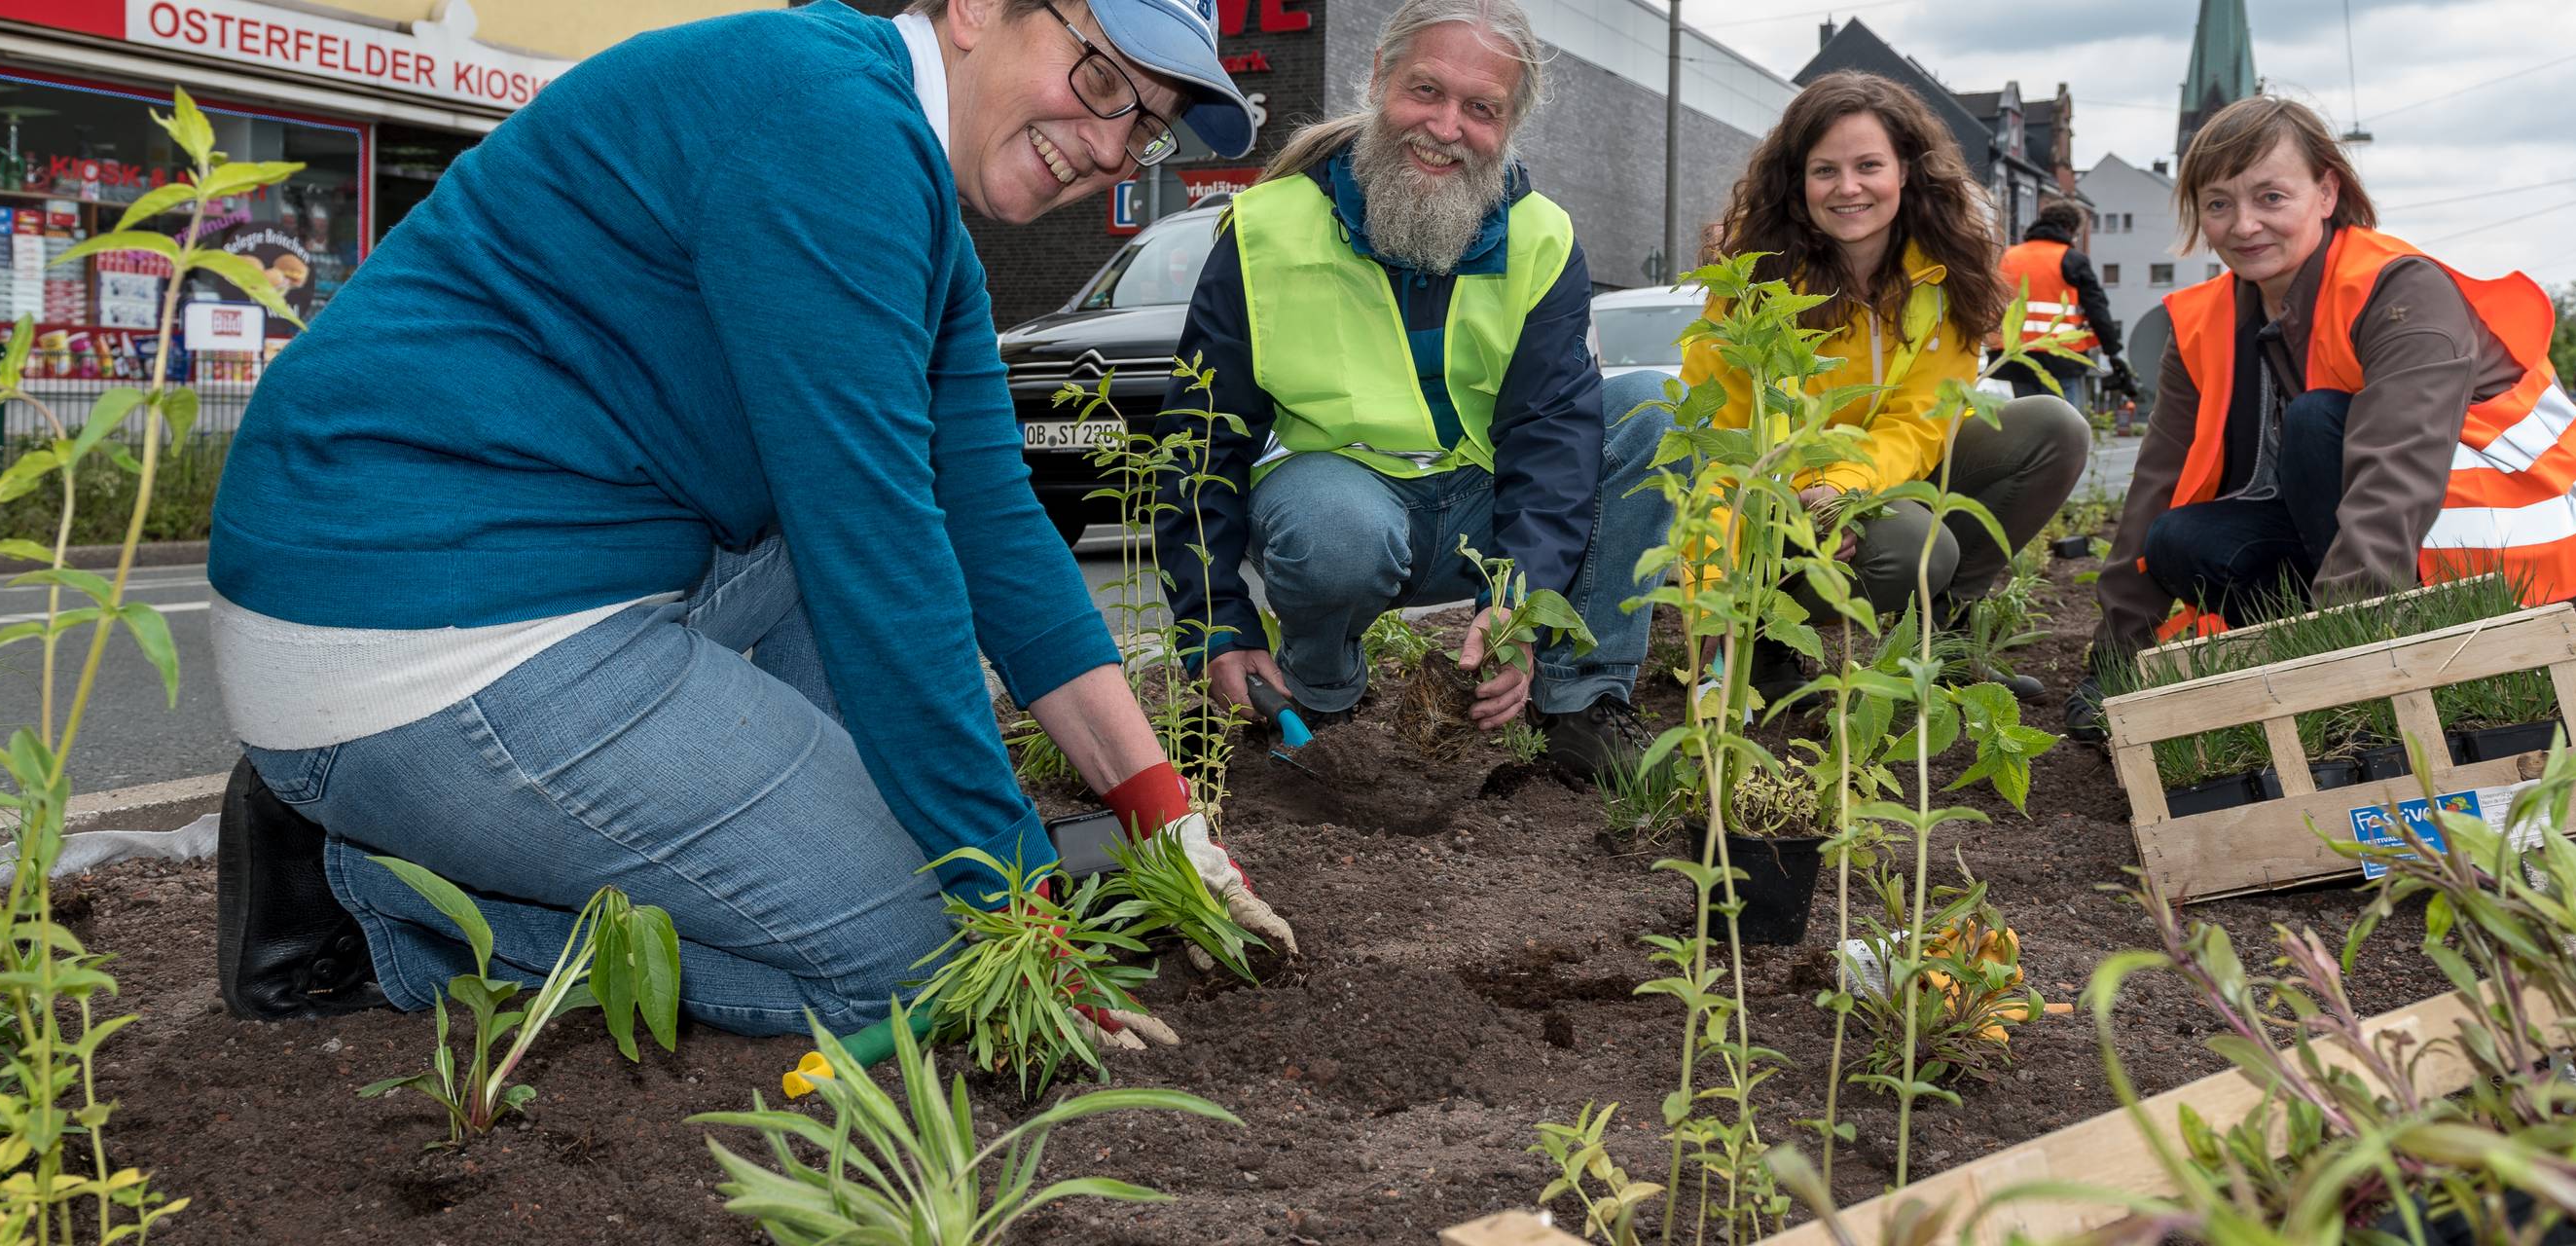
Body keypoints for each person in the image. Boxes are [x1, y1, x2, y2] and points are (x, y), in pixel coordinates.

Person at [206, 0, 1292, 1047]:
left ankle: (540, 831)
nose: (1108, 142)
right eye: (1100, 77)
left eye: (1141, 125)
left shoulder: (904, 188)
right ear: (975, 7)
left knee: (919, 796)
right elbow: (878, 557)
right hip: (411, 632)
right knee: (934, 955)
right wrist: (1016, 912)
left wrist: (1164, 815)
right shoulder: (826, 124)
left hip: (522, 571)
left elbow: (989, 518)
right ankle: (385, 902)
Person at [1151, 0, 1668, 783]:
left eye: (1481, 108)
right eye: (1425, 91)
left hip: (1479, 507)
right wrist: (1216, 623)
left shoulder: (1543, 239)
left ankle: (1578, 699)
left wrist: (1518, 605)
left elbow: (1553, 438)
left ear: (1510, 125)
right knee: (1335, 526)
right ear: (1378, 79)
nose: (1446, 126)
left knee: (1651, 408)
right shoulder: (1265, 231)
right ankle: (1320, 691)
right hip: (1338, 503)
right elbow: (1203, 435)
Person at [2068, 96, 2576, 738]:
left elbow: (2395, 481)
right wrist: (2112, 666)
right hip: (2406, 554)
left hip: (2548, 586)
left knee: (2315, 422)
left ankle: (2380, 674)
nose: (2243, 225)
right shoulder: (2205, 323)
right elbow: (2154, 488)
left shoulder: (2399, 290)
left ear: (2327, 192)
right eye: (2219, 204)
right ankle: (2331, 655)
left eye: (2271, 197)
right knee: (2178, 539)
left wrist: (2338, 675)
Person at [1680, 71, 2092, 704]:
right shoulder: (1754, 281)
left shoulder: (1943, 272)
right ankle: (1764, 639)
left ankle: (1943, 645)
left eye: (1868, 165)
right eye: (1825, 170)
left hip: (1869, 480)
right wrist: (1711, 593)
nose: (1849, 188)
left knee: (2052, 429)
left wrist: (1842, 491)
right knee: (1910, 549)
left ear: (1906, 169)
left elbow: (1921, 422)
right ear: (1797, 182)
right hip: (1775, 507)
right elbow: (1717, 439)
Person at [1997, 199, 2134, 405]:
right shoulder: (2071, 259)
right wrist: (2113, 352)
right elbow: (2097, 309)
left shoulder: (2008, 257)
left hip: (2014, 357)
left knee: (2026, 424)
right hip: (2060, 358)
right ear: (2070, 229)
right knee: (2064, 428)